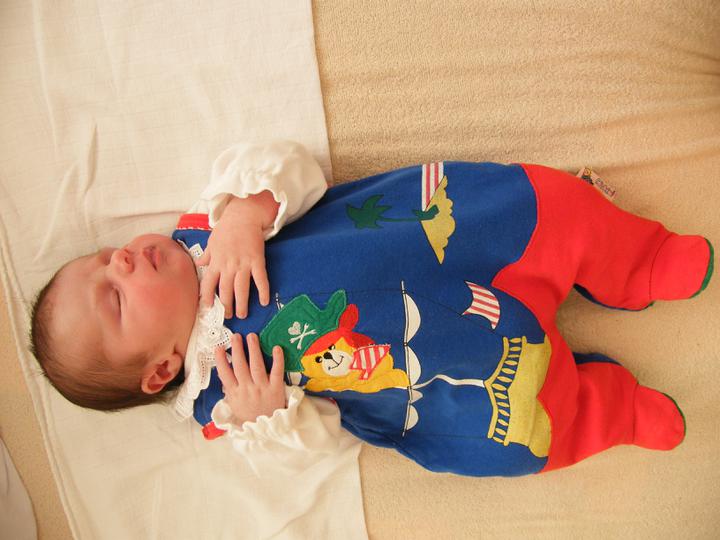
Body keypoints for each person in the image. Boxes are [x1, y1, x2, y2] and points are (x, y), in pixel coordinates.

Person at [30, 140, 714, 477]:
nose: (122, 260)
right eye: (114, 296)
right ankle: (611, 410)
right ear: (160, 368)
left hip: (433, 240)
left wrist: (245, 214)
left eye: (106, 256)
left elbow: (297, 170)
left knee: (546, 209)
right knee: (519, 429)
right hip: (437, 366)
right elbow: (328, 441)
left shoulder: (211, 225)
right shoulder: (231, 410)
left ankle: (639, 261)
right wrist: (275, 416)